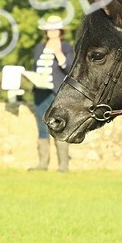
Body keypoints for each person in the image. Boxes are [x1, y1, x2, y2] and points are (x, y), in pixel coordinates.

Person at [29, 14, 75, 172]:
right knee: (42, 127)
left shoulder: (67, 47)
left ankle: (63, 165)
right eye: (49, 29)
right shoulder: (39, 48)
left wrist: (59, 54)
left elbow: (70, 69)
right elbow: (35, 68)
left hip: (57, 93)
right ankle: (43, 163)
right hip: (40, 93)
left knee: (59, 127)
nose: (52, 31)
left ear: (60, 31)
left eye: (55, 29)